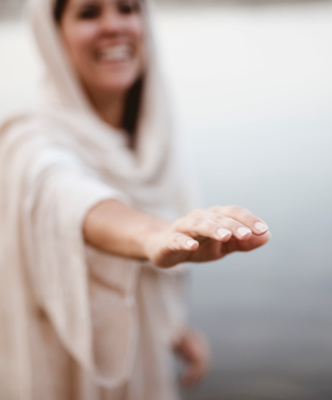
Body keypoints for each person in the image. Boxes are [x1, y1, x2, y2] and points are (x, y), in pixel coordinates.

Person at [0, 0, 271, 398]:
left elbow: (142, 283)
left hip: (144, 364)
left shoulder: (154, 145)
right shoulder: (29, 140)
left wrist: (171, 329)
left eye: (127, 8)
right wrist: (153, 235)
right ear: (53, 35)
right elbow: (69, 198)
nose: (113, 26)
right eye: (89, 13)